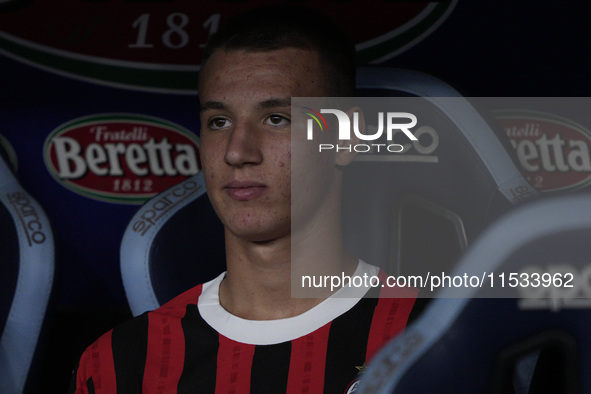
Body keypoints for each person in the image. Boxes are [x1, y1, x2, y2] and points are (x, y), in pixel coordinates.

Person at [69, 5, 420, 393]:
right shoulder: (118, 364)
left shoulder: (432, 340)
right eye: (219, 122)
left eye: (276, 118)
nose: (237, 152)